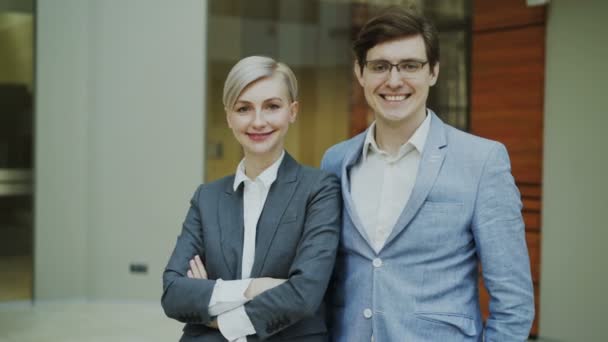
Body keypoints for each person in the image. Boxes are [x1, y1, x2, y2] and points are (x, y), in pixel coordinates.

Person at [321, 7, 535, 342]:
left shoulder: (482, 161)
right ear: (360, 73)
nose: (394, 81)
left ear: (433, 71)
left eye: (410, 65)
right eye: (379, 67)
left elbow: (514, 301)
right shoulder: (335, 161)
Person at [162, 56, 341, 342]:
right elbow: (173, 293)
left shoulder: (319, 189)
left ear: (292, 111)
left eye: (272, 106)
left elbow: (305, 294)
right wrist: (254, 288)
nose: (258, 121)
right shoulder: (207, 198)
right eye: (244, 108)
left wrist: (220, 316)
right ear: (229, 117)